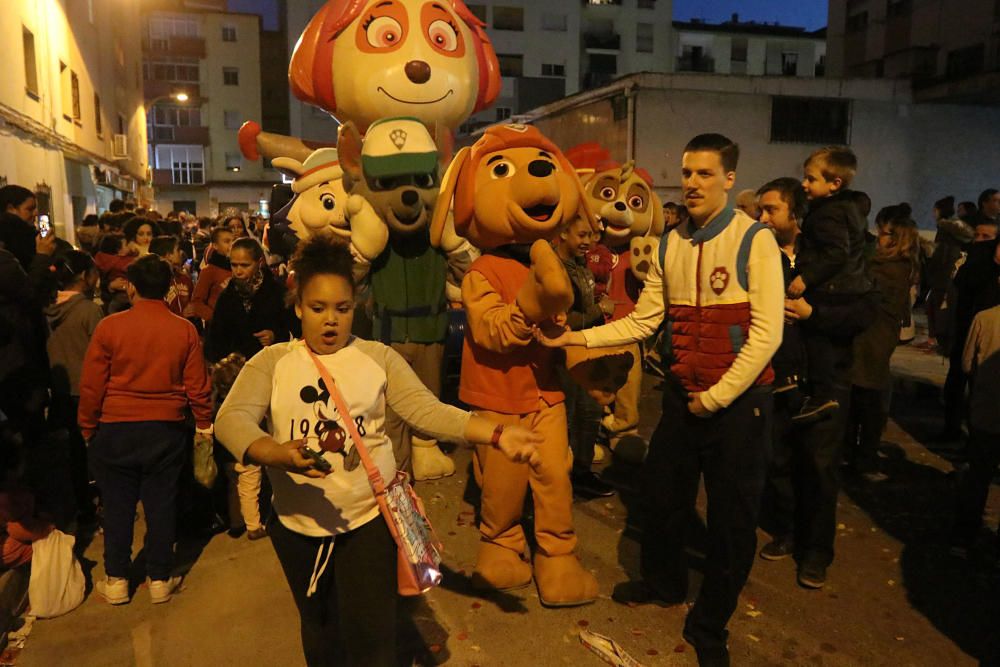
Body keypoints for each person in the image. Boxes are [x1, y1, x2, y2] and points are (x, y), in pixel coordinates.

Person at [215, 235, 542, 666]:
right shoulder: (274, 361)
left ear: (356, 307)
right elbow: (231, 419)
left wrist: (496, 433)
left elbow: (427, 410)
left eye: (342, 309)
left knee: (372, 637)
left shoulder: (377, 357)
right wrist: (273, 452)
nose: (330, 321)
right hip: (297, 528)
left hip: (367, 521)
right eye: (318, 308)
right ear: (298, 307)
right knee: (319, 630)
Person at [539, 134, 783, 666]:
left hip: (740, 406)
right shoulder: (672, 242)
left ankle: (710, 622)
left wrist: (714, 399)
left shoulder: (753, 240)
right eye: (686, 172)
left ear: (729, 179)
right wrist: (576, 339)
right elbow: (645, 320)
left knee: (731, 520)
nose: (691, 183)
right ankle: (665, 583)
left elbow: (766, 335)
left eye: (703, 174)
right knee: (663, 498)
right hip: (682, 397)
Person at [78, 254, 214, 605]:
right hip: (165, 429)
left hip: (115, 428)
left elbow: (92, 384)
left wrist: (87, 426)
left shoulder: (110, 327)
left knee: (118, 505)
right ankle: (159, 578)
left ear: (131, 286)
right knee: (161, 504)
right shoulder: (183, 329)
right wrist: (203, 423)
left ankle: (118, 579)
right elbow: (197, 385)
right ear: (169, 288)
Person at [788, 146, 872, 423]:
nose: (804, 184)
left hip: (832, 288)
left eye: (811, 179)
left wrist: (805, 278)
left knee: (816, 336)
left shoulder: (828, 213)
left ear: (834, 184)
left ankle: (821, 395)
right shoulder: (848, 208)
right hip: (847, 287)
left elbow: (836, 253)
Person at [843, 213, 921, 482]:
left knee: (868, 405)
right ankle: (858, 456)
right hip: (873, 341)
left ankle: (862, 459)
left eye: (884, 232)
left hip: (871, 342)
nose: (879, 237)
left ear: (897, 238)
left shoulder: (889, 270)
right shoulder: (893, 267)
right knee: (862, 402)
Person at [556, 217, 615, 497]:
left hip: (587, 351)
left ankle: (580, 472)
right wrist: (599, 309)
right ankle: (560, 476)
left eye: (591, 235)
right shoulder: (556, 270)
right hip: (564, 356)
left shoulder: (580, 266)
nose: (588, 242)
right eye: (581, 235)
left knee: (589, 415)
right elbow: (560, 320)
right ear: (563, 233)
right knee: (566, 417)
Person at [46, 251, 104, 523]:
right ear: (84, 277)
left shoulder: (46, 307)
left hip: (59, 391)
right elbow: (103, 355)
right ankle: (102, 501)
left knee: (73, 455)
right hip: (87, 391)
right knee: (95, 451)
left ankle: (81, 503)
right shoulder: (89, 310)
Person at [950, 300, 1000, 557]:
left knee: (978, 477)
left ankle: (964, 537)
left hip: (986, 411)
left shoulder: (985, 318)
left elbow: (966, 363)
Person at [924, 196, 973, 353]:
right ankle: (941, 341)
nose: (933, 212)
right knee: (938, 307)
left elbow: (942, 255)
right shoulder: (951, 229)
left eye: (935, 209)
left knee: (941, 308)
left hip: (944, 275)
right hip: (947, 274)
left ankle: (945, 344)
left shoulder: (945, 230)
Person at [189, 227, 234, 323]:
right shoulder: (209, 270)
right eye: (227, 241)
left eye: (233, 241)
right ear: (215, 245)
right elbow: (197, 301)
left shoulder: (238, 267)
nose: (232, 245)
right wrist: (215, 318)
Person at [149, 235, 194, 317]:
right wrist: (180, 315)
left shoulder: (184, 278)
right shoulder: (154, 282)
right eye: (178, 250)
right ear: (168, 255)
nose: (181, 252)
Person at [0, 184, 40, 270]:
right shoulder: (19, 238)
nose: (35, 214)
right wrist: (42, 255)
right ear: (10, 209)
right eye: (30, 209)